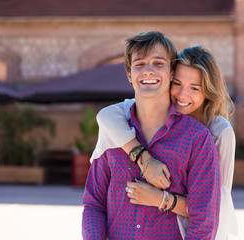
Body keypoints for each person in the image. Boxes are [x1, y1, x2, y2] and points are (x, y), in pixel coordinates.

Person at [82, 31, 221, 240]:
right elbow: (93, 203)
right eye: (139, 64)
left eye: (158, 63)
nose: (148, 71)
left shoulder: (198, 138)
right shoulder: (113, 130)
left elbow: (205, 221)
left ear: (172, 72)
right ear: (129, 74)